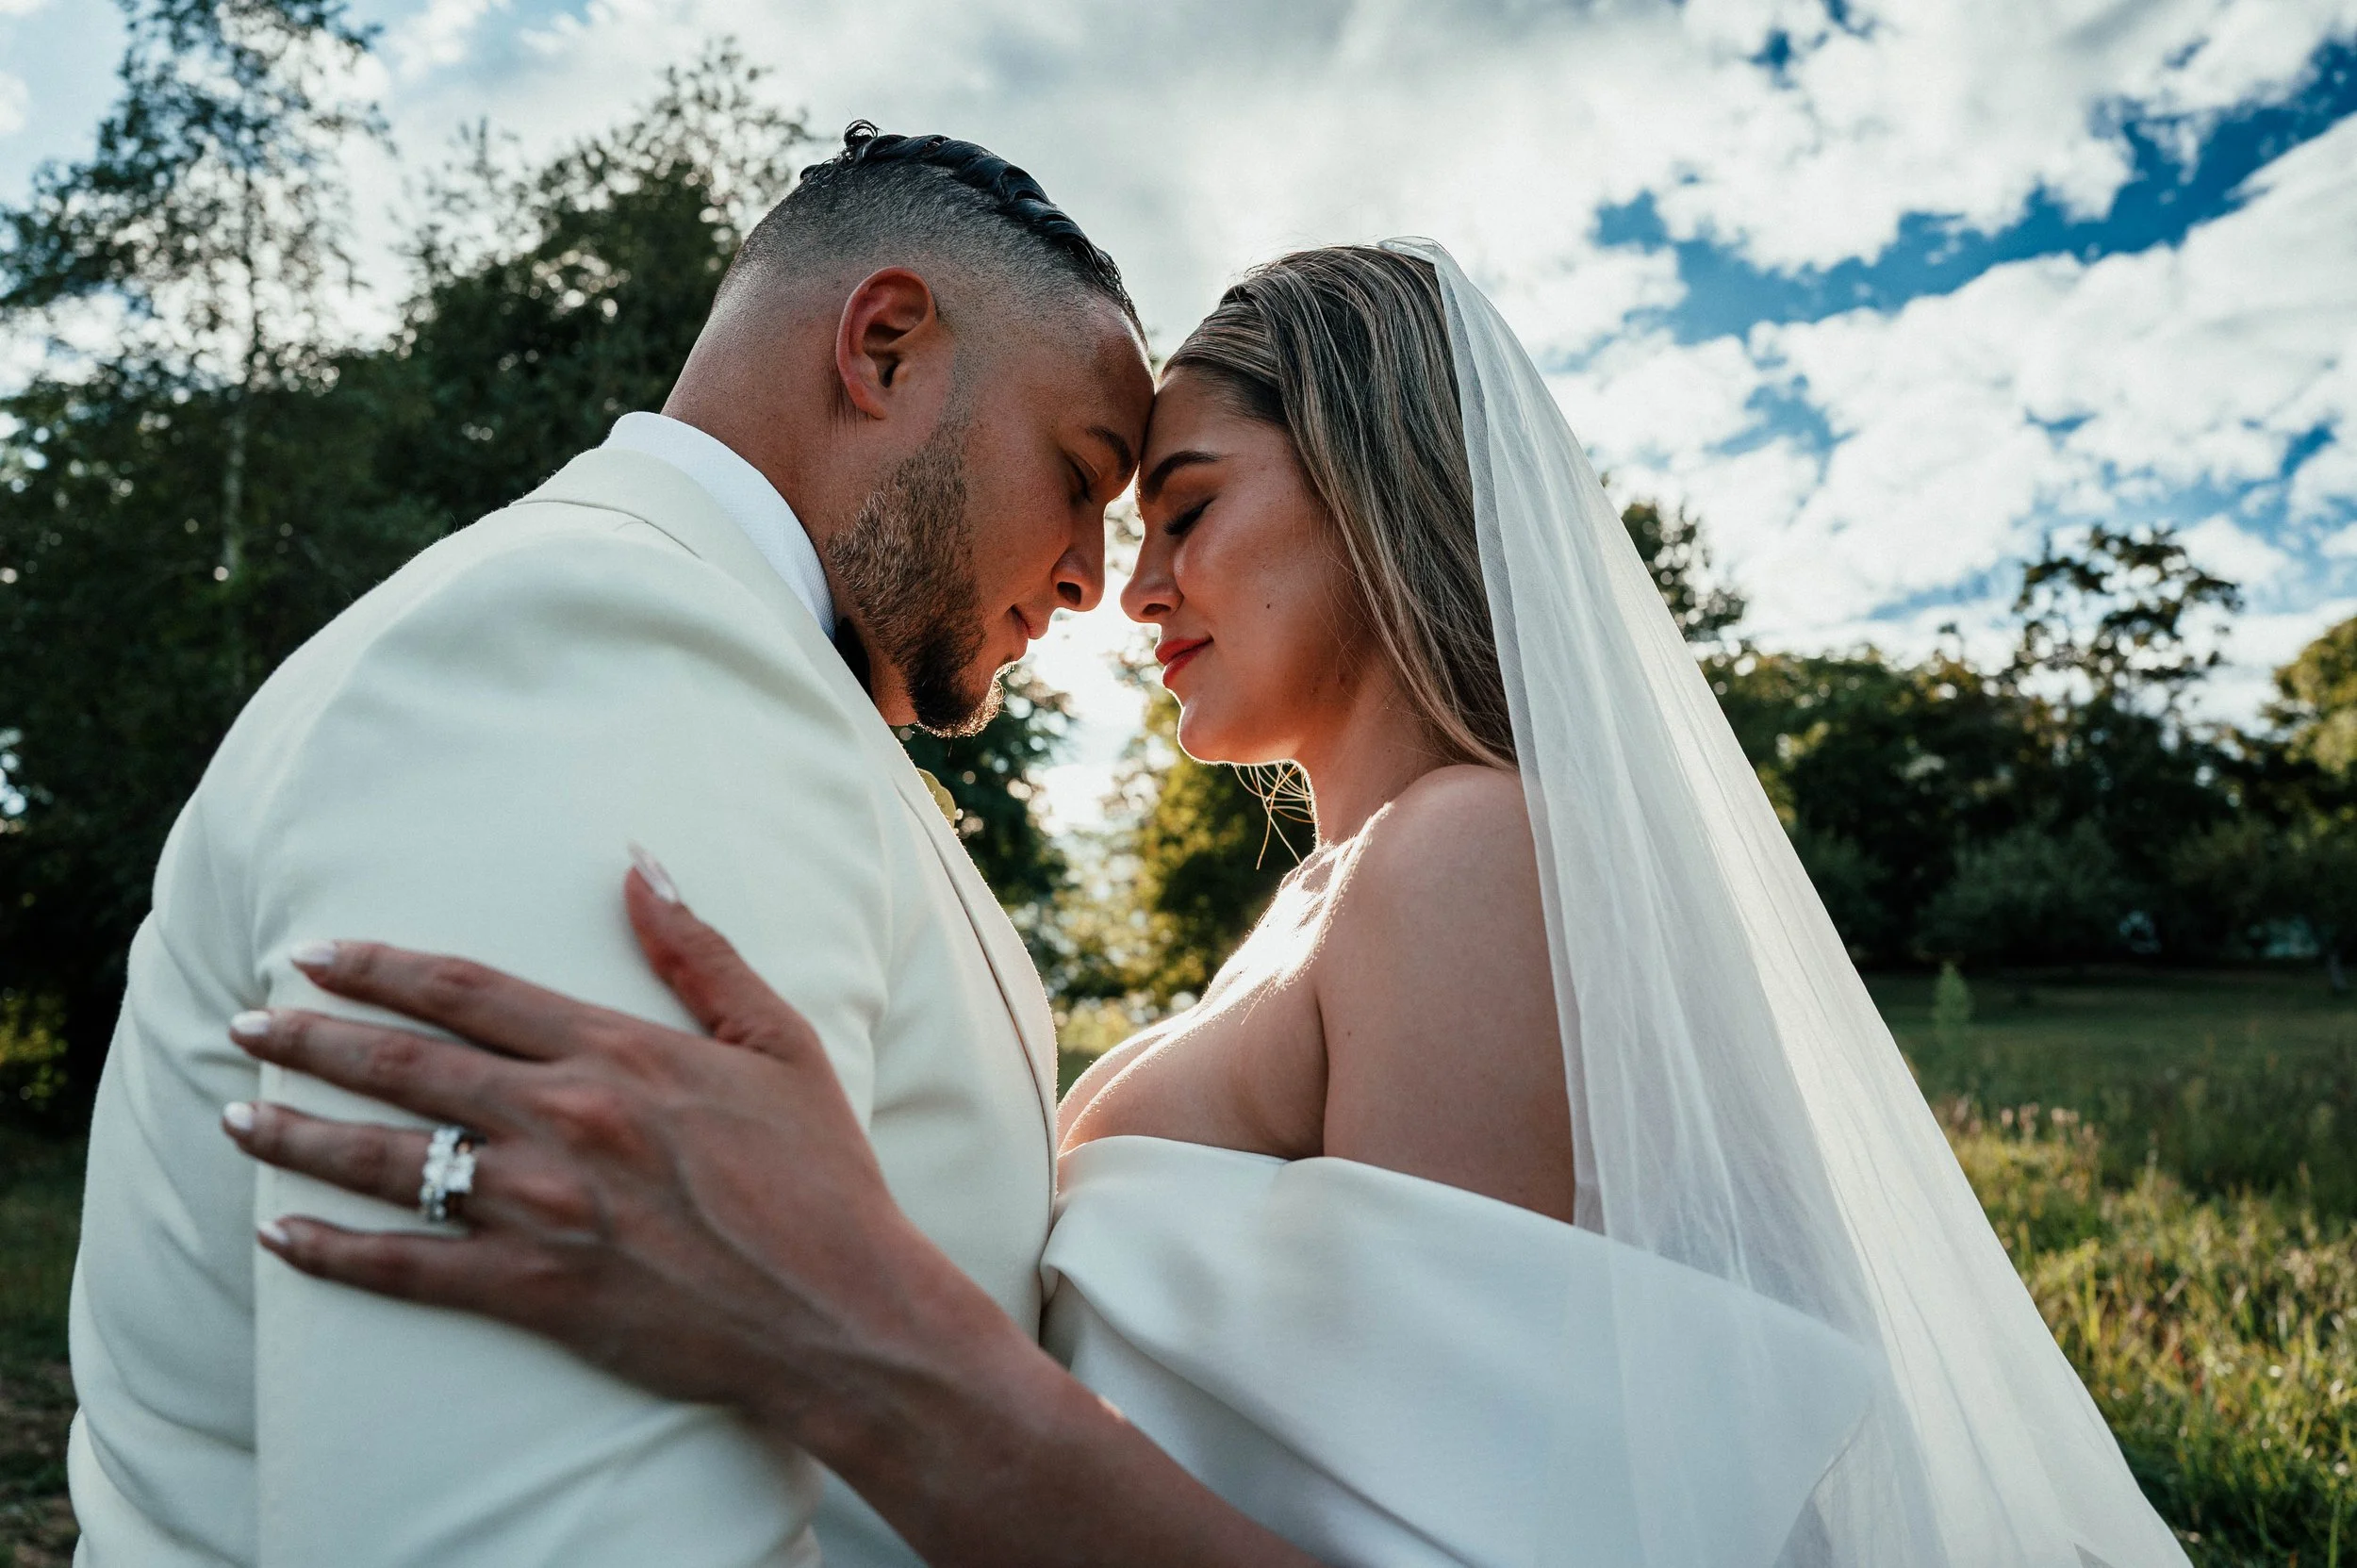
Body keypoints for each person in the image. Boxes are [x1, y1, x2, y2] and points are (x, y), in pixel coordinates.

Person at [215, 240, 2198, 1566]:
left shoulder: (1469, 861)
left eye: (1179, 509)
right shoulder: (1337, 895)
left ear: (1381, 491)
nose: (1118, 586)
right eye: (1109, 517)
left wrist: (852, 1338)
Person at [65, 124, 1162, 1567]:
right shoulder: (602, 644)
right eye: (1081, 475)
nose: (1092, 575)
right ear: (886, 346)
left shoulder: (704, 657)